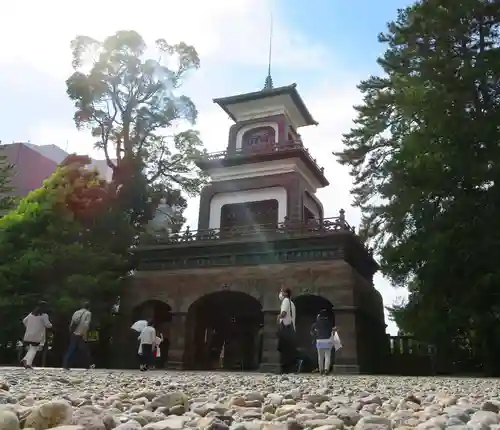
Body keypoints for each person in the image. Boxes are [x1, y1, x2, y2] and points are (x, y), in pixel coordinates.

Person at [63, 301, 93, 370]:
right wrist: (84, 334)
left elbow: (72, 323)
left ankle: (66, 364)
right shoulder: (88, 313)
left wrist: (72, 331)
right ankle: (87, 365)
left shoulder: (76, 312)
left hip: (74, 333)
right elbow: (86, 324)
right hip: (81, 334)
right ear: (89, 307)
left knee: (71, 349)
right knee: (84, 350)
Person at [21, 302, 52, 369]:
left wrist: (29, 326)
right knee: (34, 348)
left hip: (29, 333)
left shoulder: (31, 314)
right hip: (37, 334)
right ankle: (27, 361)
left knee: (32, 348)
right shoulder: (44, 315)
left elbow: (24, 321)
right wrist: (51, 325)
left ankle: (27, 361)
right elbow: (47, 325)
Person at [311, 309, 337, 375]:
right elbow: (333, 329)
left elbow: (312, 331)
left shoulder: (317, 322)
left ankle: (321, 370)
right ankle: (326, 370)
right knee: (327, 355)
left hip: (319, 340)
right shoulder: (329, 322)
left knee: (320, 356)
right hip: (327, 340)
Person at [277, 287, 297, 373]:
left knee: (283, 348)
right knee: (289, 350)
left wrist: (278, 317)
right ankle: (289, 369)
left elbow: (283, 313)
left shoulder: (285, 301)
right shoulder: (292, 303)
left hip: (285, 327)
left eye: (281, 291)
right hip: (291, 328)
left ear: (285, 293)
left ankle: (283, 369)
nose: (280, 293)